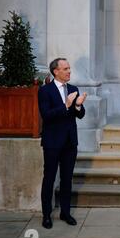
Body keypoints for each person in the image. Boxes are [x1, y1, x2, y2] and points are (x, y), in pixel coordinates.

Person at [38, 58, 87, 229]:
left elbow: (80, 115)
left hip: (69, 142)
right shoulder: (45, 91)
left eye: (69, 68)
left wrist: (78, 106)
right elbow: (46, 115)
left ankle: (65, 213)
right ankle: (46, 215)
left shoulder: (73, 89)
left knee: (67, 179)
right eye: (65, 68)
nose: (69, 71)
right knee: (49, 179)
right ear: (55, 71)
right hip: (52, 142)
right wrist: (66, 106)